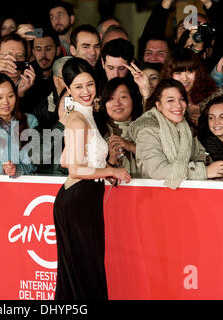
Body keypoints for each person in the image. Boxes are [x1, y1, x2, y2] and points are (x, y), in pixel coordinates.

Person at [53, 57, 131, 300]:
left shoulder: (81, 114)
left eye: (89, 84)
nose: (86, 92)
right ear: (67, 89)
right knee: (84, 276)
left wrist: (100, 165)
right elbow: (74, 168)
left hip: (84, 199)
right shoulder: (76, 119)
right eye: (78, 87)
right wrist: (110, 171)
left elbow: (66, 159)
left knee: (85, 274)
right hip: (78, 201)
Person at [128, 78, 223, 189]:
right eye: (170, 100)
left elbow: (200, 156)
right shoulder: (147, 130)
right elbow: (157, 171)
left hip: (187, 196)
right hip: (155, 196)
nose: (178, 105)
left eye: (181, 99)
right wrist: (205, 172)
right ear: (158, 105)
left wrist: (219, 171)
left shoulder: (185, 127)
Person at [96, 77, 142, 176]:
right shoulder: (97, 133)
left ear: (133, 99)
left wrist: (130, 146)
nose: (117, 103)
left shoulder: (146, 128)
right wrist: (112, 159)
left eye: (123, 97)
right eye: (111, 98)